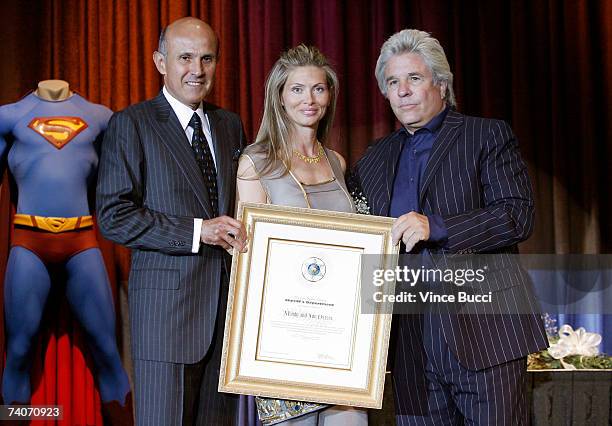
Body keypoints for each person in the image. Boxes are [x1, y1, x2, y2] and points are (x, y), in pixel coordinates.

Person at [352, 30, 548, 425]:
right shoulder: (373, 159)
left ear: (441, 84)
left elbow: (516, 215)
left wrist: (437, 226)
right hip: (408, 343)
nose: (403, 91)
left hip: (486, 336)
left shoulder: (486, 135)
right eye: (393, 82)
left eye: (414, 79)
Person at [96, 17, 247, 426]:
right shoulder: (132, 124)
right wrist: (200, 231)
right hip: (165, 318)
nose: (196, 70)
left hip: (227, 318)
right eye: (185, 58)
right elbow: (114, 216)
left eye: (206, 58)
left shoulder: (230, 125)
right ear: (160, 61)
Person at [237, 45, 368, 426]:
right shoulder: (256, 162)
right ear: (279, 97)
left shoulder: (338, 162)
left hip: (341, 335)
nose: (309, 100)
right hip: (285, 332)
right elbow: (245, 254)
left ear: (330, 96)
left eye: (318, 89)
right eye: (296, 89)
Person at [0, 79, 131, 423]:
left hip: (81, 243)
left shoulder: (101, 117)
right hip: (29, 243)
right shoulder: (10, 116)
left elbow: (123, 185)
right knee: (17, 351)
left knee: (107, 350)